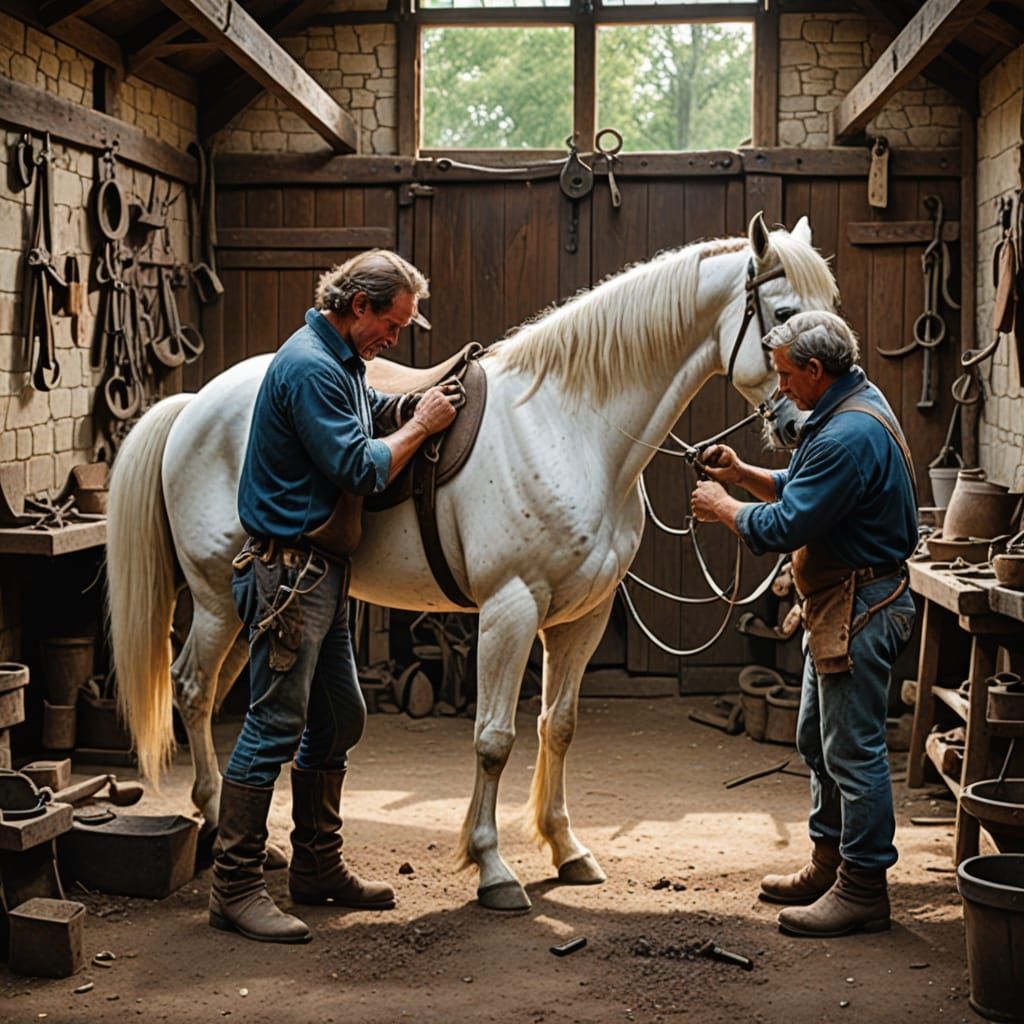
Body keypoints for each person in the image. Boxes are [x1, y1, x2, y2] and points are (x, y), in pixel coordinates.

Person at [210, 250, 458, 944]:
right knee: (270, 728)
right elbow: (359, 464)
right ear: (358, 305)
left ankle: (316, 866)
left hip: (320, 575)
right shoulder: (311, 366)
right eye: (393, 325)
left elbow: (366, 410)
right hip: (289, 577)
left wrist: (408, 404)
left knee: (341, 717)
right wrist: (421, 428)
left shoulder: (339, 359)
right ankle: (233, 887)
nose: (395, 340)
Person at [691, 310, 917, 938]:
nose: (781, 388)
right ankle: (828, 862)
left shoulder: (847, 435)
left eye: (788, 375)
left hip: (861, 607)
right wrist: (744, 475)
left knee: (854, 752)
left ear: (817, 370)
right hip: (839, 603)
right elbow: (803, 486)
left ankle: (864, 887)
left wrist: (725, 507)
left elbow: (784, 525)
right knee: (819, 741)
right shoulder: (849, 407)